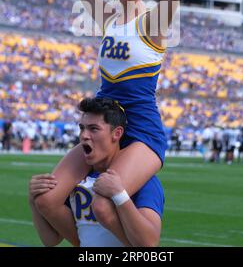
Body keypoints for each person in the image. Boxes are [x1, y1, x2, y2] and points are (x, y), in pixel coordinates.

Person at [35, 0, 223, 244]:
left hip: (142, 132)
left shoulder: (155, 22)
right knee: (47, 197)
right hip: (103, 128)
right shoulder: (105, 18)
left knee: (105, 203)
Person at [29, 97, 164, 247]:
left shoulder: (142, 180)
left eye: (93, 129)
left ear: (117, 134)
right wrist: (33, 199)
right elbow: (51, 240)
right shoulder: (76, 180)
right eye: (82, 128)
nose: (84, 135)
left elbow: (150, 244)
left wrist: (120, 196)